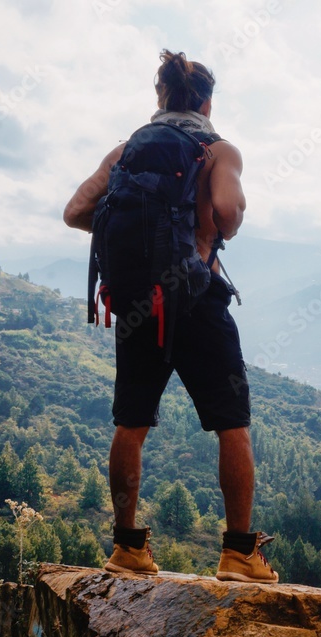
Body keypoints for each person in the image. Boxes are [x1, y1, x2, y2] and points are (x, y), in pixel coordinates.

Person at [63, 49, 277, 583]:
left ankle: (128, 548)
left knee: (130, 424)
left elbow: (75, 212)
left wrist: (144, 240)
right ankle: (238, 554)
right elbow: (227, 212)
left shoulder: (126, 151)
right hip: (197, 300)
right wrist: (199, 230)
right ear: (206, 101)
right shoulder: (217, 148)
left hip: (138, 303)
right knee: (232, 424)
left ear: (160, 98)